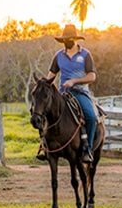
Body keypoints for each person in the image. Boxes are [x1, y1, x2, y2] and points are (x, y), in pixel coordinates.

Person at [37, 24, 98, 163]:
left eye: (68, 39)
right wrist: (42, 84)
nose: (66, 42)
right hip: (62, 93)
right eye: (64, 40)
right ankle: (44, 146)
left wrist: (74, 81)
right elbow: (51, 76)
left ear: (75, 39)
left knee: (91, 117)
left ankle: (87, 149)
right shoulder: (58, 56)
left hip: (80, 92)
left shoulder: (85, 54)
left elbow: (92, 76)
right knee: (43, 112)